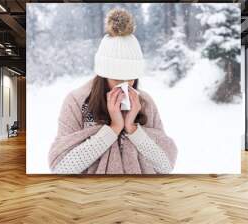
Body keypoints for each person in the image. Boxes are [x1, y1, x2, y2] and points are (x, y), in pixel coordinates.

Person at [48, 8, 177, 174]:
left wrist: (132, 128)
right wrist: (114, 128)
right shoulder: (76, 101)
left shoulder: (145, 103)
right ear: (103, 75)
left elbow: (166, 166)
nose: (124, 85)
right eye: (116, 79)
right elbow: (60, 168)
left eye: (130, 78)